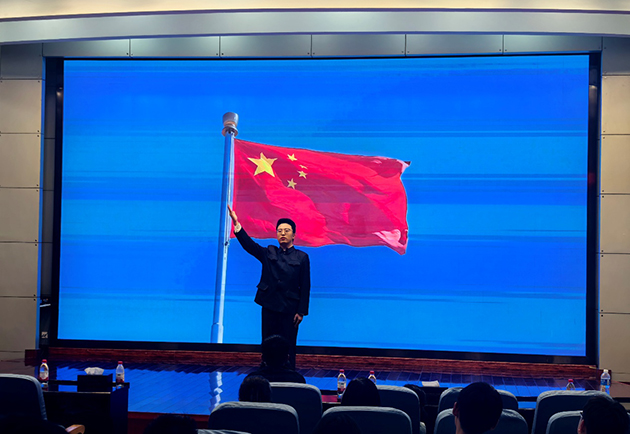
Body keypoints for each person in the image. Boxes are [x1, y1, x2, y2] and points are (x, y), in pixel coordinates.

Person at [228, 205, 311, 369]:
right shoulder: (269, 253)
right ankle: (266, 371)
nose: (283, 233)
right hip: (269, 306)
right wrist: (237, 224)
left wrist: (301, 311)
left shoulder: (302, 257)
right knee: (267, 342)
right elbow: (250, 246)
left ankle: (289, 373)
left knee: (289, 344)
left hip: (290, 309)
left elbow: (305, 285)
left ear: (294, 235)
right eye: (279, 231)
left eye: (286, 230)